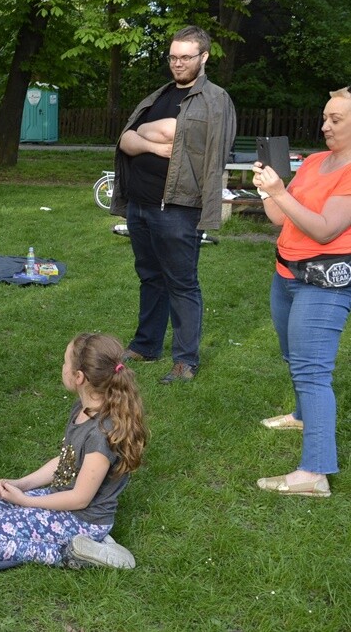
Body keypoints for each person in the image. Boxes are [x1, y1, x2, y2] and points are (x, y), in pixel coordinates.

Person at [112, 26, 236, 384]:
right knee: (150, 277)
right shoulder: (160, 94)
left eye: (186, 57)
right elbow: (126, 139)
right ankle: (147, 344)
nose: (177, 63)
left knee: (181, 283)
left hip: (179, 207)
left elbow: (203, 145)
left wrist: (155, 132)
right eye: (173, 57)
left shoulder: (215, 100)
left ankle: (185, 360)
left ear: (204, 58)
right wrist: (153, 140)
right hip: (141, 204)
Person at [0, 333, 147, 568]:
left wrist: (26, 503)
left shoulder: (101, 435)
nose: (62, 367)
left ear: (79, 377)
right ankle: (83, 543)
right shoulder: (82, 408)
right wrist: (22, 485)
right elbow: (66, 459)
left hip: (83, 519)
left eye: (65, 362)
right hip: (61, 499)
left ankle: (75, 552)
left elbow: (80, 499)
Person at [251, 86, 351, 498]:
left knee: (313, 371)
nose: (324, 125)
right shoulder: (314, 162)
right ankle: (302, 415)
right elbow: (281, 216)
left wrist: (278, 193)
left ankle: (314, 473)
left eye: (336, 120)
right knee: (294, 355)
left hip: (323, 283)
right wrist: (266, 190)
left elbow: (325, 228)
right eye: (325, 117)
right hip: (286, 274)